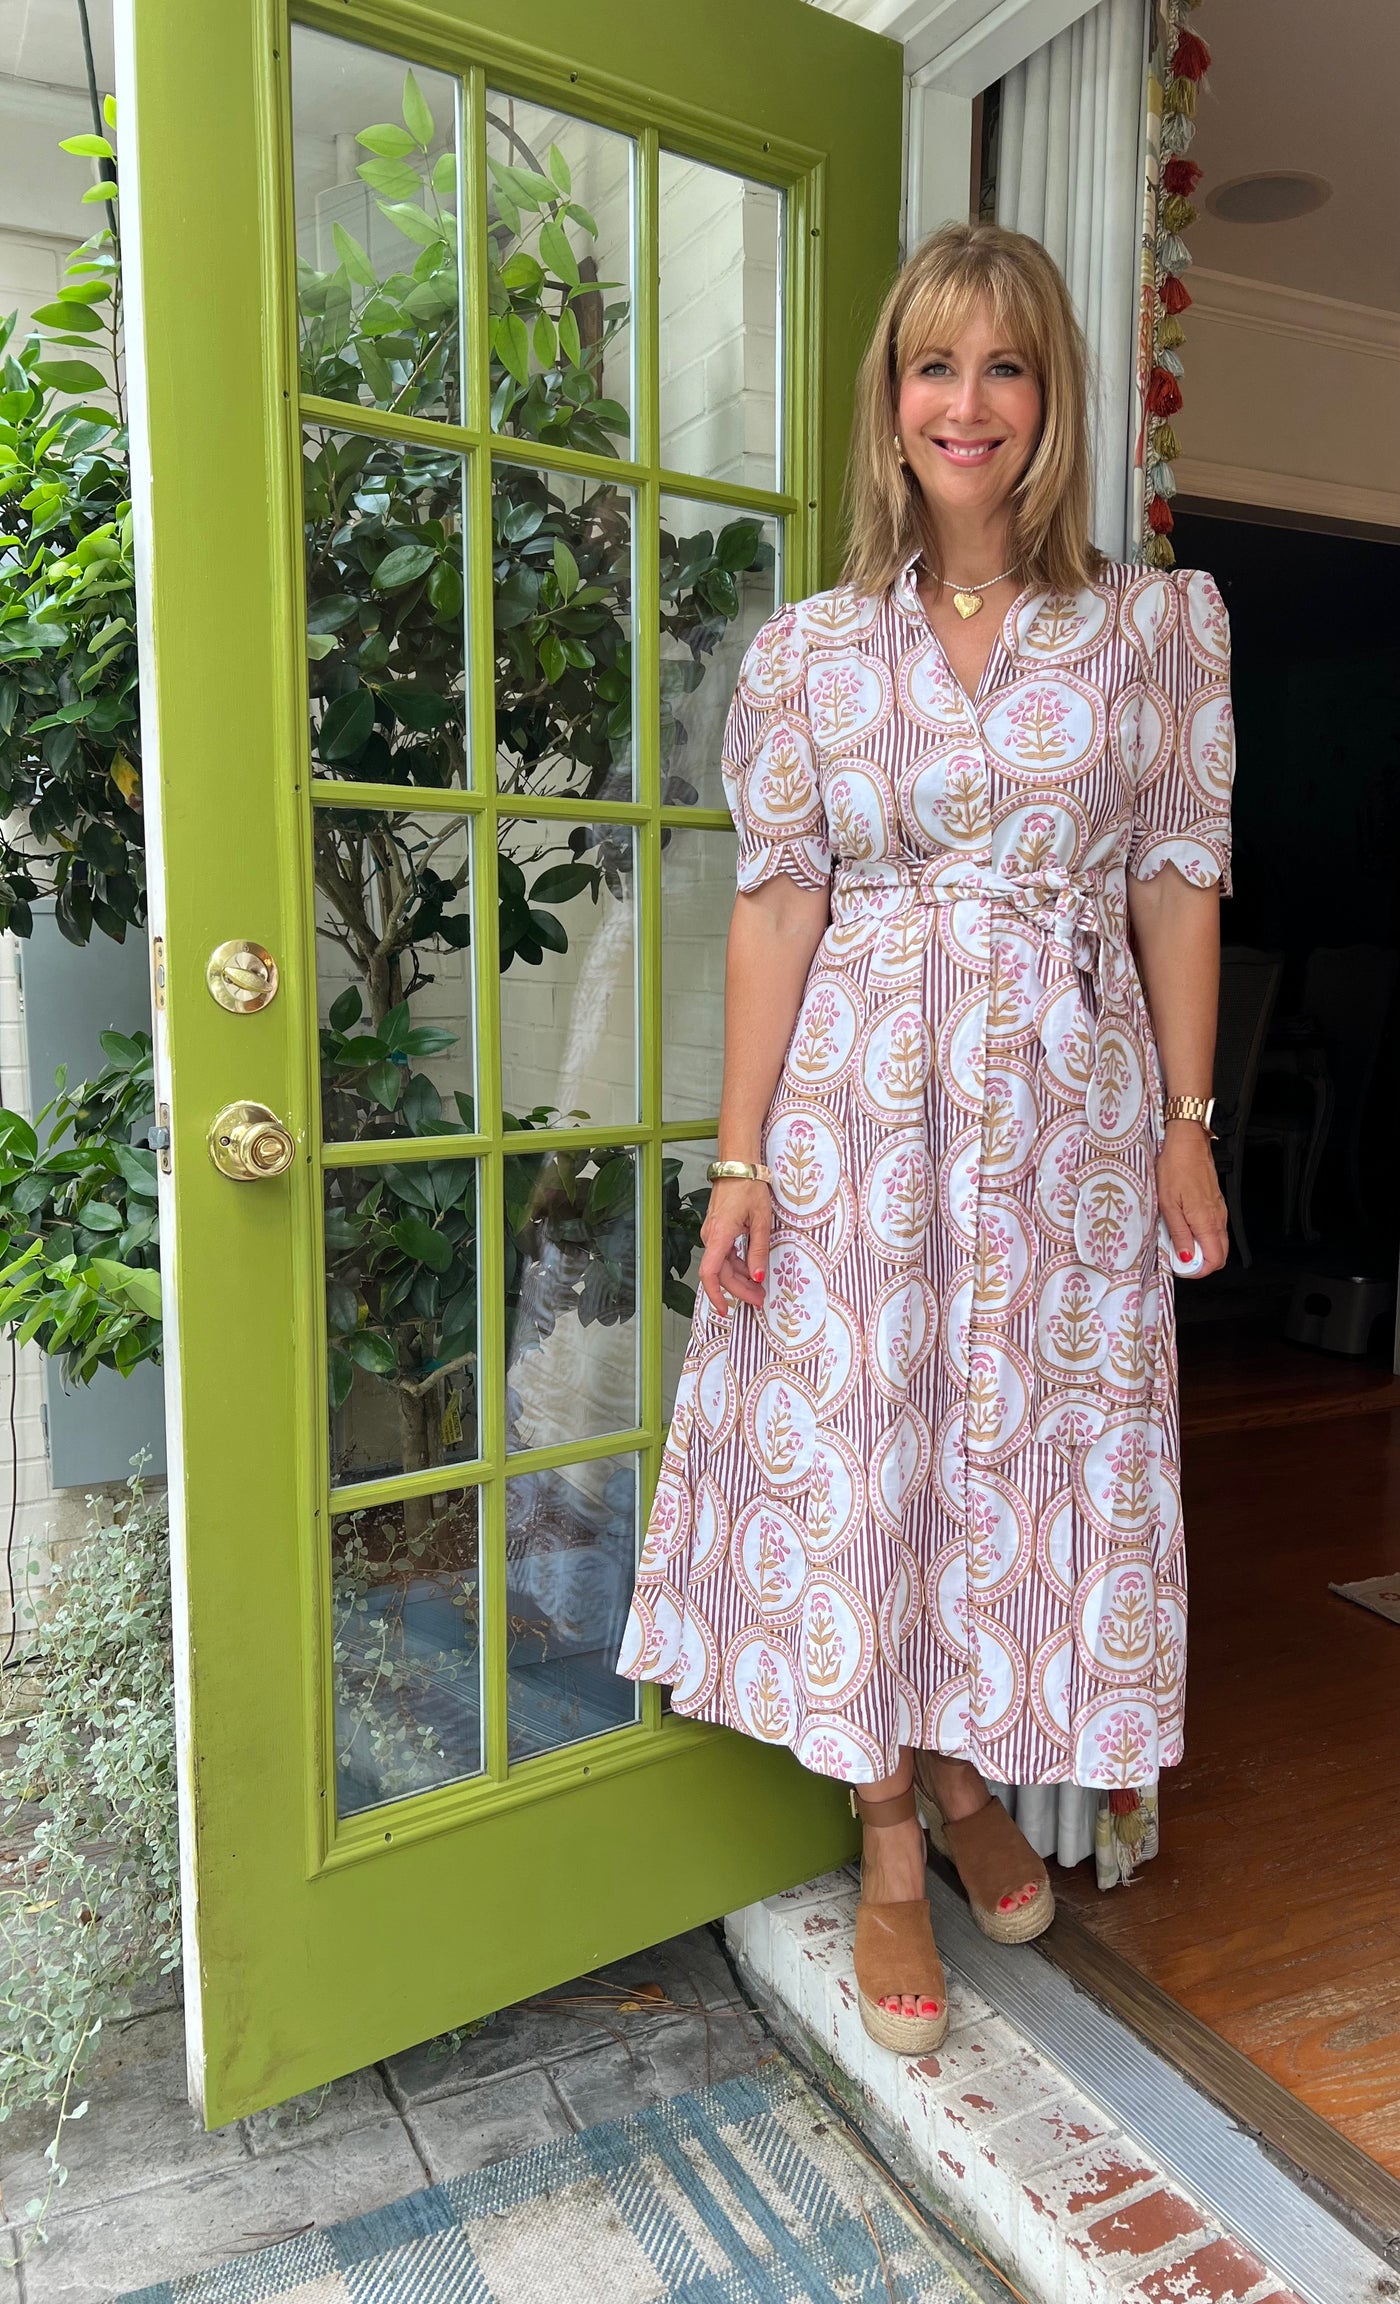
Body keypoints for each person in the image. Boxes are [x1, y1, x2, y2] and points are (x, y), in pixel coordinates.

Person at [618, 221, 1233, 2053]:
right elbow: (777, 905)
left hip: (1064, 1120)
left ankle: (972, 1769)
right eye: (933, 368)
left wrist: (1190, 1124)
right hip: (860, 1118)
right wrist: (738, 1157)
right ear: (892, 402)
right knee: (872, 1446)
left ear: (1051, 401)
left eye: (1006, 367)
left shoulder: (1152, 629)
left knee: (1013, 1453)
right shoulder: (813, 652)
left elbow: (1179, 880)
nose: (966, 405)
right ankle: (892, 1822)